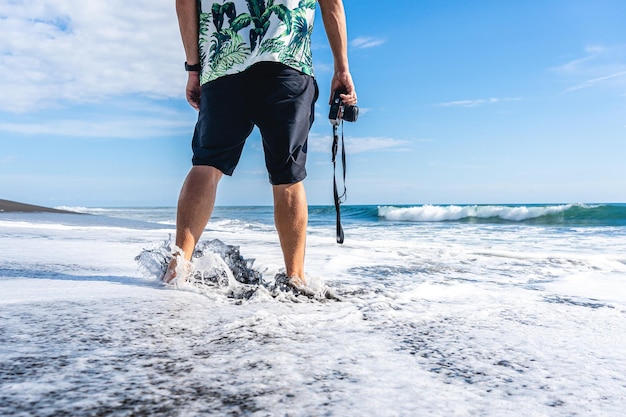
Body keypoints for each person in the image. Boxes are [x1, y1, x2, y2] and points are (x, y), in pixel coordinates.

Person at [165, 0, 357, 289]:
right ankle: (295, 280)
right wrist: (342, 69)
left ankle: (176, 272)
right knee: (287, 176)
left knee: (207, 164)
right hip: (287, 64)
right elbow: (331, 3)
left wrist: (194, 69)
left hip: (224, 63)